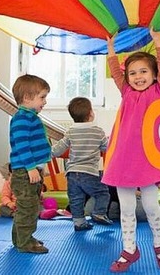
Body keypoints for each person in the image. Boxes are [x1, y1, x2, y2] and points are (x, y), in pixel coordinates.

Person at [103, 28, 160, 272]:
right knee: (126, 208)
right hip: (123, 159)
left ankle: (159, 243)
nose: (137, 76)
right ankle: (130, 249)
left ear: (154, 75)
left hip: (148, 159)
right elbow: (115, 74)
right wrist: (111, 50)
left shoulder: (159, 92)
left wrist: (159, 43)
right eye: (132, 73)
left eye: (144, 71)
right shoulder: (127, 92)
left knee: (152, 205)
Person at [51, 97, 112, 231]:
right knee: (103, 193)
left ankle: (79, 223)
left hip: (72, 173)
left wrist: (50, 153)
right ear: (91, 113)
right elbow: (106, 148)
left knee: (76, 199)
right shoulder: (97, 131)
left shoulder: (70, 132)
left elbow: (59, 149)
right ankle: (99, 212)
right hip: (89, 173)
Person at [9, 74, 51, 254]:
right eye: (42, 97)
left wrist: (40, 166)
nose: (45, 101)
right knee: (28, 209)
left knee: (30, 207)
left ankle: (22, 238)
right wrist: (31, 167)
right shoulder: (21, 119)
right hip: (24, 172)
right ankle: (24, 242)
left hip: (30, 171)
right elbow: (22, 145)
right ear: (27, 98)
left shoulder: (30, 117)